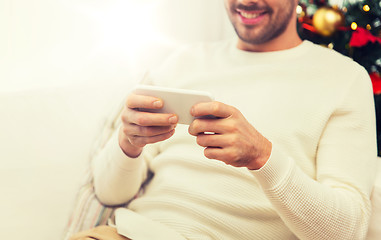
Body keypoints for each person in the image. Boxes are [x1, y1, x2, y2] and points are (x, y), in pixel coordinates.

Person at [71, 0, 378, 239]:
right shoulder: (182, 62)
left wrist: (263, 157)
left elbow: (346, 232)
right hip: (127, 234)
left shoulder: (344, 79)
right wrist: (127, 144)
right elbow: (110, 194)